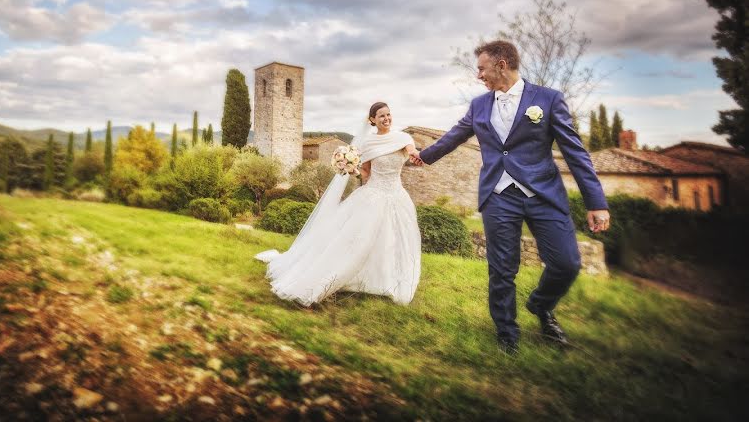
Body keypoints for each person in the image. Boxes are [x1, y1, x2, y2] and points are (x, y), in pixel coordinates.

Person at [410, 40, 610, 355]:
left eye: (481, 68)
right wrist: (422, 156)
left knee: (567, 264)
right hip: (499, 195)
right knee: (502, 268)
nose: (478, 76)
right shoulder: (478, 105)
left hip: (544, 193)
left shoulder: (548, 99)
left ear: (502, 64)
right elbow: (454, 136)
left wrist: (596, 203)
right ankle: (507, 336)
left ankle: (541, 305)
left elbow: (576, 153)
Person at [256, 102, 422, 306]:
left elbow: (411, 150)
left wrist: (415, 155)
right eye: (381, 116)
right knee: (358, 240)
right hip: (373, 195)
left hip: (397, 196)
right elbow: (367, 173)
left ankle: (385, 279)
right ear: (372, 120)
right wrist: (352, 169)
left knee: (392, 240)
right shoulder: (369, 144)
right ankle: (340, 275)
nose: (386, 118)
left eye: (388, 114)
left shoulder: (403, 138)